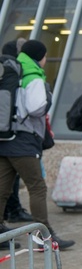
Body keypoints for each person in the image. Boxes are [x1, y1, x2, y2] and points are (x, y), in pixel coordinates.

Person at [0, 40, 74, 250]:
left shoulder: (13, 71)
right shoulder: (32, 76)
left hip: (5, 139)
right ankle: (44, 236)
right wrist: (48, 98)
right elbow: (35, 108)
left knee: (2, 189)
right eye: (45, 55)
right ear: (39, 56)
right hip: (23, 141)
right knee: (37, 187)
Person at [1, 39, 32, 224]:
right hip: (10, 133)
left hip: (5, 132)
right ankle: (12, 211)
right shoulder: (12, 74)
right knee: (30, 182)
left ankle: (10, 212)